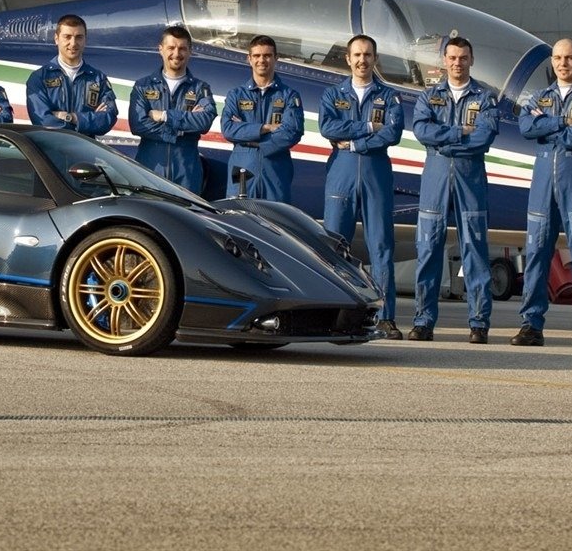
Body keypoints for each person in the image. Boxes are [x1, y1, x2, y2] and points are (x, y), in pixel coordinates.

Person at [511, 38, 572, 349]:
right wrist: (562, 121)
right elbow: (526, 127)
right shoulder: (539, 97)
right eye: (557, 58)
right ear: (552, 61)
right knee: (536, 253)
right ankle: (531, 324)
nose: (563, 63)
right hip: (543, 182)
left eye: (569, 57)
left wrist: (547, 125)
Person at [408, 36, 501, 343]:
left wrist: (445, 142)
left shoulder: (484, 98)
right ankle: (423, 321)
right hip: (435, 178)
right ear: (444, 61)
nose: (457, 63)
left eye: (463, 58)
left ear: (471, 60)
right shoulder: (429, 96)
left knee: (475, 249)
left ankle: (479, 323)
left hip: (470, 177)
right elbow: (422, 131)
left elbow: (484, 138)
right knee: (428, 249)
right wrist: (460, 131)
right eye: (452, 58)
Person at [319, 34, 405, 340]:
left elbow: (392, 133)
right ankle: (334, 312)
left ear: (375, 58)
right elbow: (328, 127)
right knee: (334, 244)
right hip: (341, 171)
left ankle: (385, 317)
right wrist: (368, 126)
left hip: (375, 172)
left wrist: (355, 143)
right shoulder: (333, 94)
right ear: (348, 58)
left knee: (381, 245)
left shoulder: (389, 96)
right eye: (357, 55)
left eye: (367, 55)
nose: (362, 60)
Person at [128, 26, 218, 192]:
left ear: (190, 52)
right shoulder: (143, 86)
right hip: (150, 169)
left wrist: (165, 116)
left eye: (182, 48)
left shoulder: (200, 88)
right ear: (160, 49)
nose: (176, 54)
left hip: (187, 172)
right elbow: (138, 125)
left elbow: (204, 122)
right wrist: (182, 128)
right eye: (171, 48)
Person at [219, 35, 303, 201]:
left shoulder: (289, 95)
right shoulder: (236, 95)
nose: (261, 60)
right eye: (257, 55)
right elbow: (228, 129)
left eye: (267, 55)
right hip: (242, 167)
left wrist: (254, 141)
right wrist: (265, 128)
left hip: (276, 170)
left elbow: (292, 132)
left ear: (276, 58)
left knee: (275, 216)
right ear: (249, 59)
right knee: (240, 215)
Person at [25, 14, 118, 136]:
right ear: (56, 39)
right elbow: (43, 121)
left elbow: (107, 119)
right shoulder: (39, 78)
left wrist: (71, 117)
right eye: (67, 37)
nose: (73, 43)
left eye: (79, 37)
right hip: (51, 147)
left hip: (85, 147)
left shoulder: (98, 78)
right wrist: (88, 121)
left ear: (85, 40)